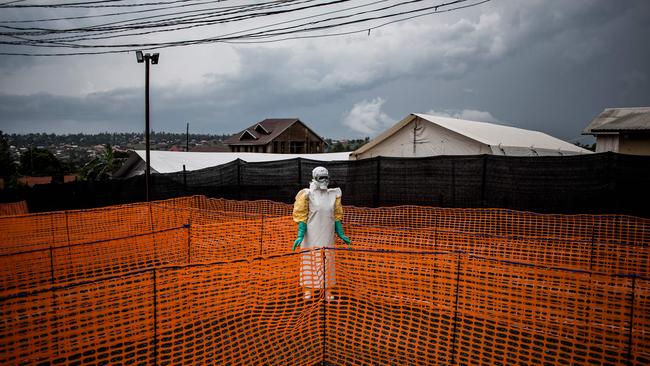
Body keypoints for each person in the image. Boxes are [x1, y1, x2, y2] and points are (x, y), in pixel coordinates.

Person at [292, 166, 351, 300]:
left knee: (328, 260)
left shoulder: (333, 195)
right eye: (321, 177)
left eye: (326, 177)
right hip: (311, 234)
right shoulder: (308, 194)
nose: (324, 180)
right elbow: (302, 215)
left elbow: (336, 216)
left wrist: (341, 233)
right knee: (309, 259)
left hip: (327, 235)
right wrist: (300, 234)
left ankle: (327, 290)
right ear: (315, 178)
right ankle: (308, 289)